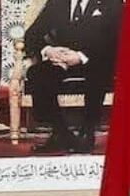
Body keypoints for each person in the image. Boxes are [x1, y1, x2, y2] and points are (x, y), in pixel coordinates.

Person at [25, 0, 123, 153]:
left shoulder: (111, 3)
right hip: (63, 60)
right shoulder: (57, 3)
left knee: (98, 73)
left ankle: (87, 131)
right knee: (37, 73)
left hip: (96, 59)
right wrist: (49, 50)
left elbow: (115, 40)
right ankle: (60, 132)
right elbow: (31, 35)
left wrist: (80, 56)